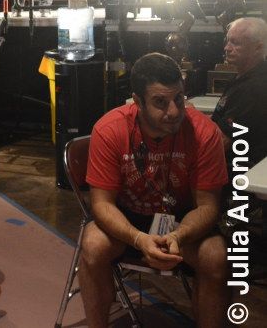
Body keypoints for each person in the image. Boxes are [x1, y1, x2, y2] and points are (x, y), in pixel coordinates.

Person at [80, 53, 229, 328]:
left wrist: (178, 235)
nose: (174, 111)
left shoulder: (204, 133)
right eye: (160, 102)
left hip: (183, 218)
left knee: (216, 256)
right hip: (127, 216)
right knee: (92, 245)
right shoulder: (109, 129)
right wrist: (138, 239)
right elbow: (101, 204)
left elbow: (208, 206)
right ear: (137, 102)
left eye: (179, 99)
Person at [212, 17, 267, 165]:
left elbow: (220, 142)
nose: (227, 48)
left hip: (241, 171)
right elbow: (219, 121)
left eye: (235, 43)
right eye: (227, 41)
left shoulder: (255, 87)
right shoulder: (242, 76)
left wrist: (191, 118)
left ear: (258, 47)